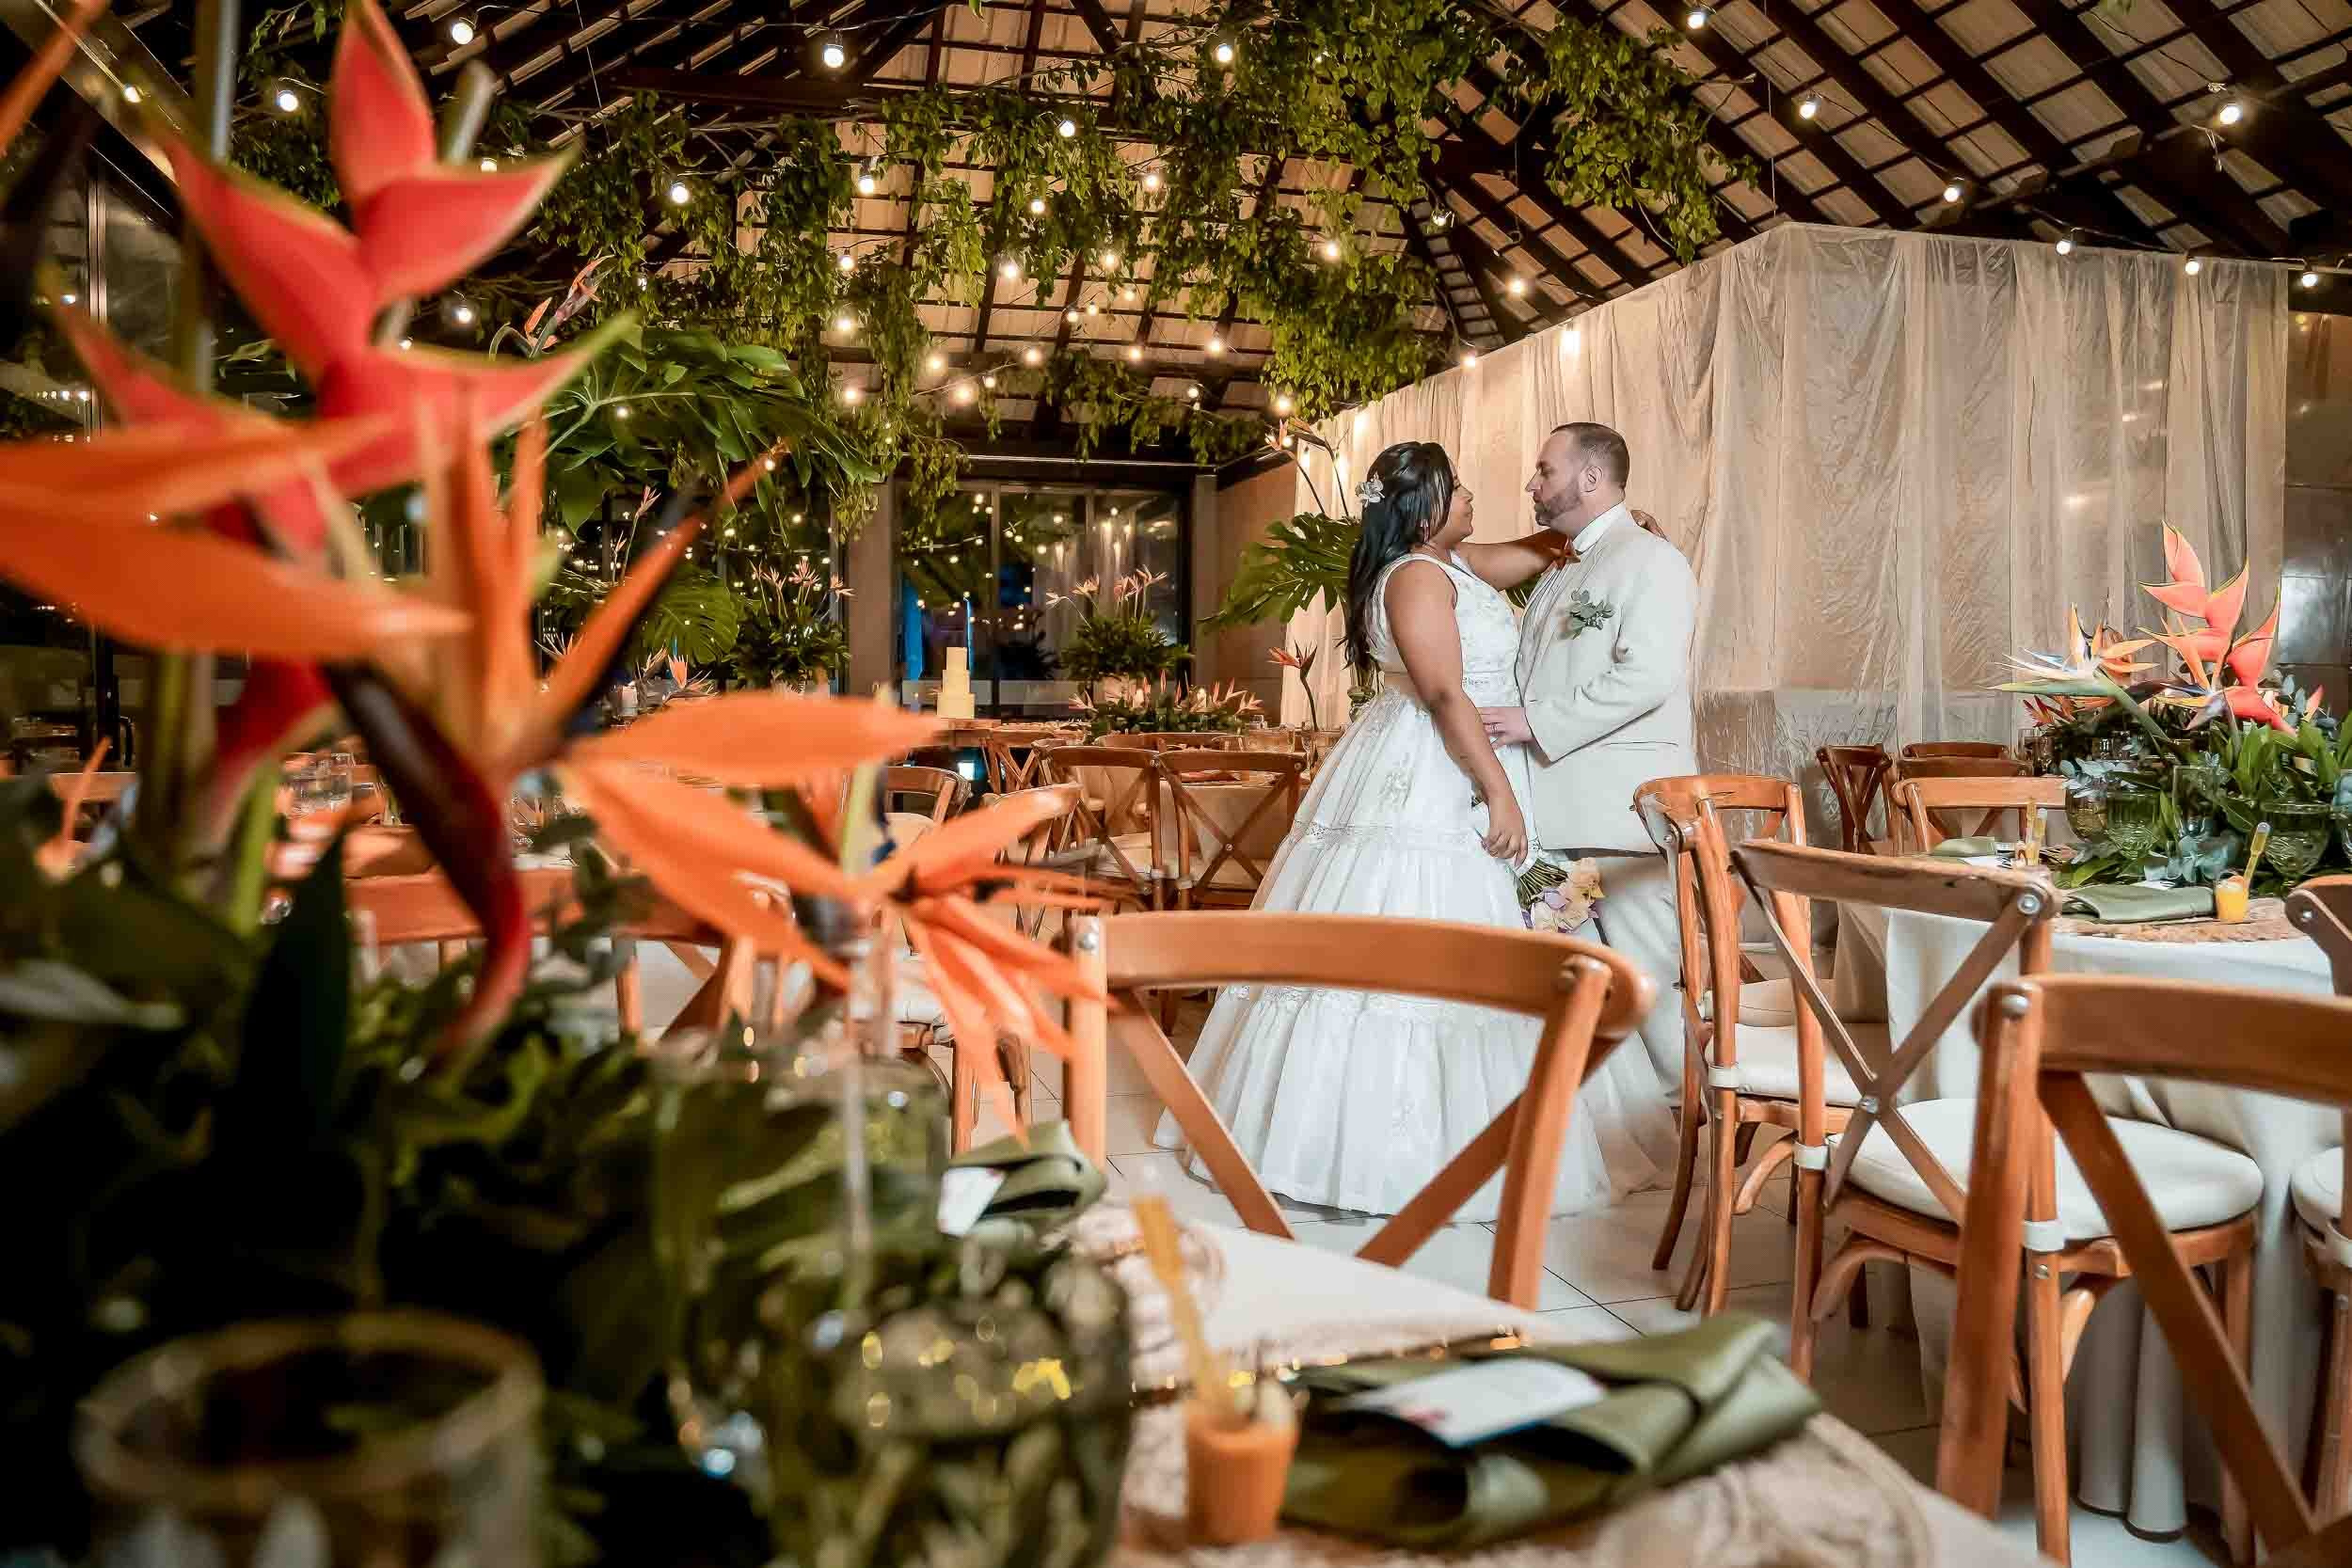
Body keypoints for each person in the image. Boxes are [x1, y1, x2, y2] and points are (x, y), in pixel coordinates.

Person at [1154, 440, 1669, 1219]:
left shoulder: (1449, 565)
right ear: (1423, 508)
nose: (1473, 494)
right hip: (1436, 770)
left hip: (1440, 754)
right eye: (1457, 487)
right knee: (1427, 939)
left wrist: (1606, 533)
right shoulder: (1420, 577)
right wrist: (1499, 795)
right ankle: (1386, 1157)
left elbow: (1525, 553)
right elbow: (1444, 696)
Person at [1478, 421, 1697, 1092]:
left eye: (1545, 470)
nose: (1532, 483)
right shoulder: (1561, 566)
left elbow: (1650, 676)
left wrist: (1534, 721)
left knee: (1645, 977)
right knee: (1580, 981)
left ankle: (1689, 1124)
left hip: (1618, 815)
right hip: (1551, 819)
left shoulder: (1650, 559)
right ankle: (1611, 1130)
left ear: (1591, 478)